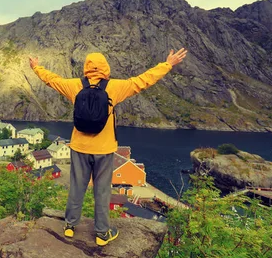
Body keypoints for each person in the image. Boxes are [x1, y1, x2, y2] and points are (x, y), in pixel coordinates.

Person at [29, 48, 187, 246]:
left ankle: (69, 226)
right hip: (104, 149)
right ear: (106, 68)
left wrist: (36, 67)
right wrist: (168, 64)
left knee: (77, 187)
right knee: (102, 191)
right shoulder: (115, 87)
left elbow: (51, 80)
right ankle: (102, 233)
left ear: (86, 68)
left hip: (79, 147)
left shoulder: (74, 86)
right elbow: (143, 80)